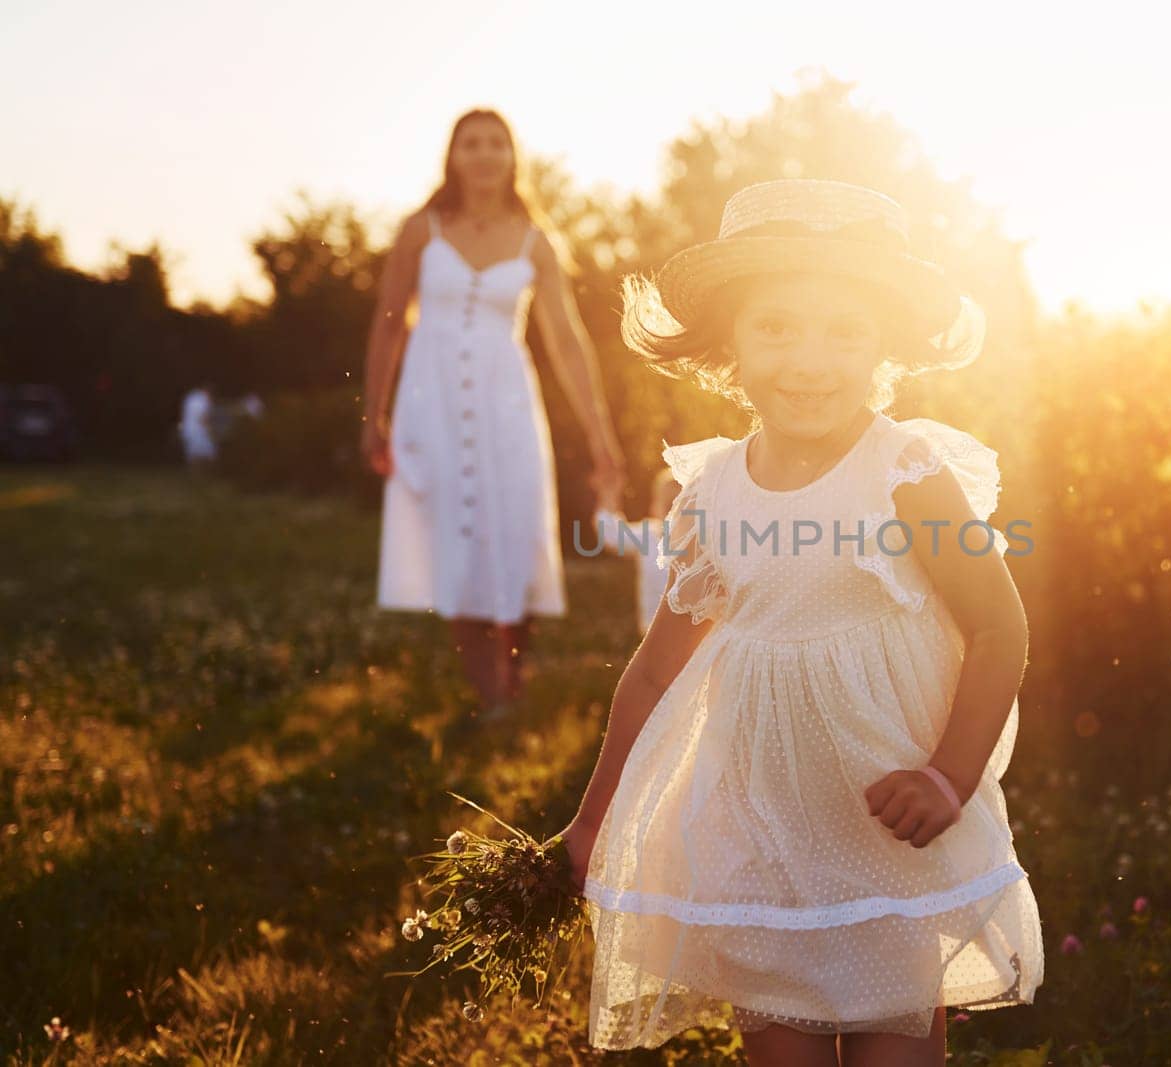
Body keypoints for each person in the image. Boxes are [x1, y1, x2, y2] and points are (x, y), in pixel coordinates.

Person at [558, 179, 1043, 1063]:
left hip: (885, 831)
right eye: (776, 328)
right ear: (730, 347)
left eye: (843, 331)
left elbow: (999, 628)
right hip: (761, 831)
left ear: (883, 346)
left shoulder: (905, 472)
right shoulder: (715, 495)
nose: (809, 359)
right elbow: (657, 673)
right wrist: (596, 816)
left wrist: (948, 775)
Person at [361, 108, 625, 721]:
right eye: (471, 144)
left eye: (496, 144)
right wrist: (373, 413)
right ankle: (490, 693)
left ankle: (514, 671)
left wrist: (600, 435)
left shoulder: (537, 240)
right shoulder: (420, 230)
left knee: (518, 527)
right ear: (452, 156)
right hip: (433, 404)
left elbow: (566, 339)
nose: (484, 155)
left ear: (513, 157)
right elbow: (388, 322)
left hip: (507, 402)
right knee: (457, 534)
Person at [590, 468, 680, 639]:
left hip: (692, 635)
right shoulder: (648, 535)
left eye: (681, 503)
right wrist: (609, 494)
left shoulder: (704, 541)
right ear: (655, 507)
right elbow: (612, 534)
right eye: (669, 505)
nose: (674, 511)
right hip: (652, 631)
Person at [178, 383, 217, 470]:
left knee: (193, 455)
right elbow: (203, 418)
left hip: (187, 430)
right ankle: (205, 477)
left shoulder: (190, 396)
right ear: (207, 391)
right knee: (210, 453)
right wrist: (211, 432)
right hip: (198, 432)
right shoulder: (204, 400)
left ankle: (194, 478)